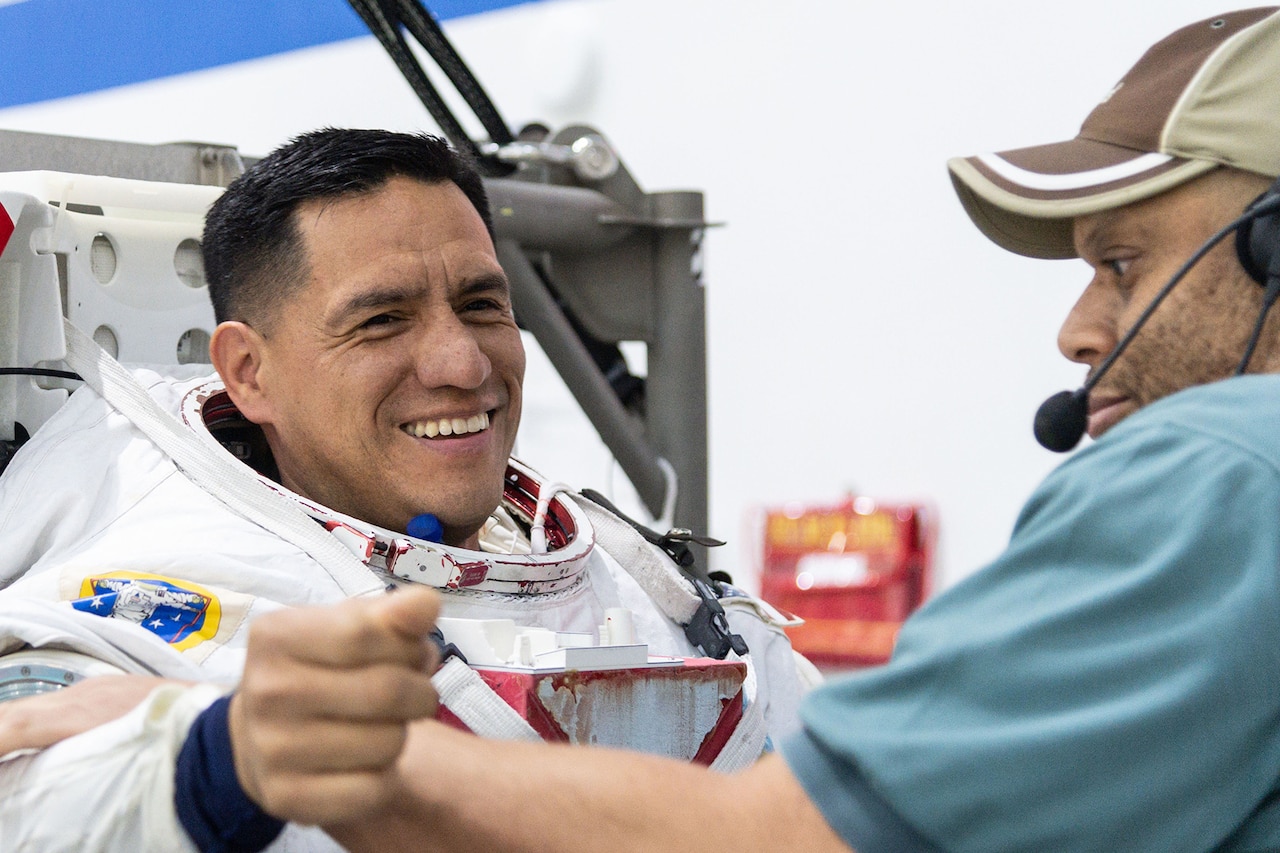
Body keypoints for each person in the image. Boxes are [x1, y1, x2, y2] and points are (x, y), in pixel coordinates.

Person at [156, 7, 1280, 853]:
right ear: (246, 372)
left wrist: (232, 750)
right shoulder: (130, 583)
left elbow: (778, 838)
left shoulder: (1223, 467)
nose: (1080, 334)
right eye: (381, 319)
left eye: (1121, 264)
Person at [0, 128, 809, 850]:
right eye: (382, 319)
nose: (462, 364)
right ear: (249, 372)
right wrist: (215, 758)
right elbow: (32, 798)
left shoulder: (651, 595)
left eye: (481, 303)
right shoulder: (148, 594)